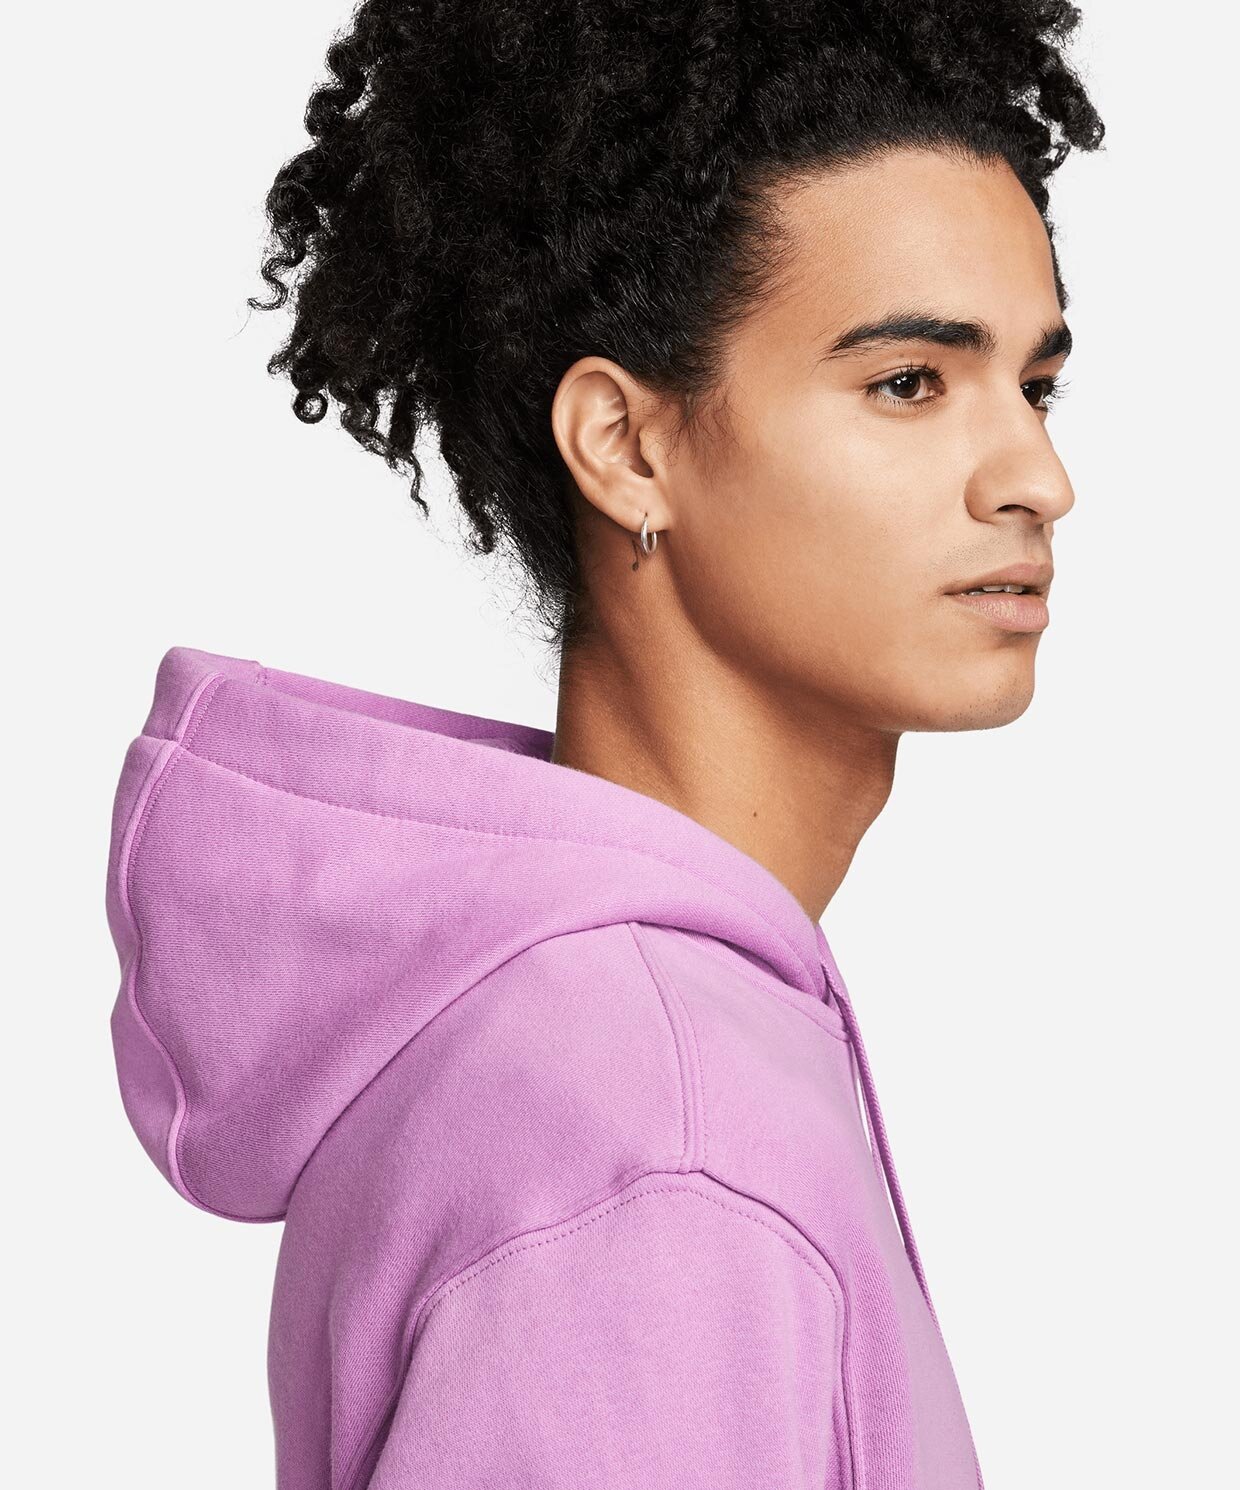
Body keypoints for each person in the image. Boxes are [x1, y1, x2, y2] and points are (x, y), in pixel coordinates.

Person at [104, 3, 1104, 1486]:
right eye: (909, 381)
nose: (1038, 475)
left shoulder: (603, 1037)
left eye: (1036, 384)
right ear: (627, 448)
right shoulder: (657, 1142)